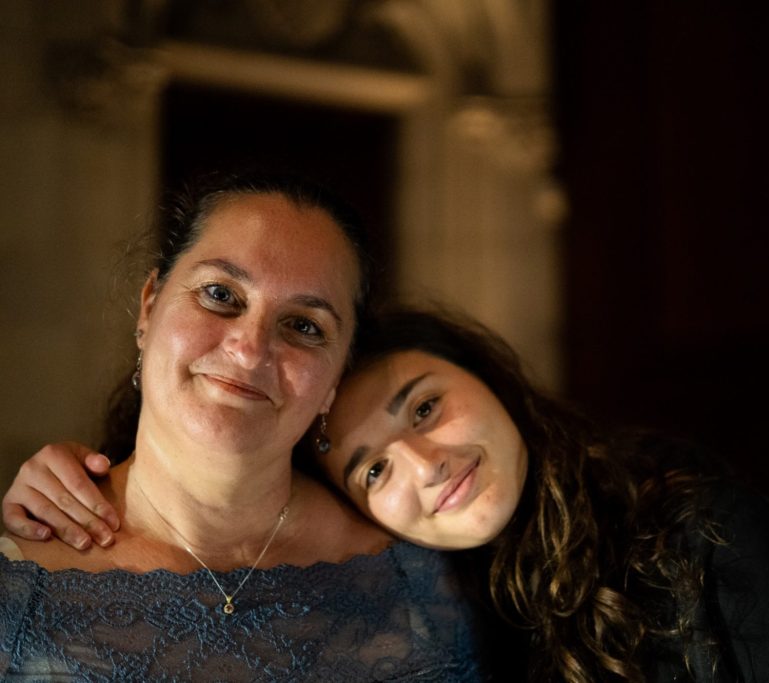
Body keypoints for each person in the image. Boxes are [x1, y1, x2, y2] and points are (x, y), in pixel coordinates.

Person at [5, 308, 769, 682]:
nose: (425, 464)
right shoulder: (427, 606)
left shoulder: (694, 532)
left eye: (426, 406)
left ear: (489, 379)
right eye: (372, 470)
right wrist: (74, 484)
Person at [0, 170, 497, 681]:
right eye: (220, 293)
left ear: (335, 379)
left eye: (304, 326)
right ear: (149, 307)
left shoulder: (424, 581)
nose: (250, 347)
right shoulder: (16, 587)